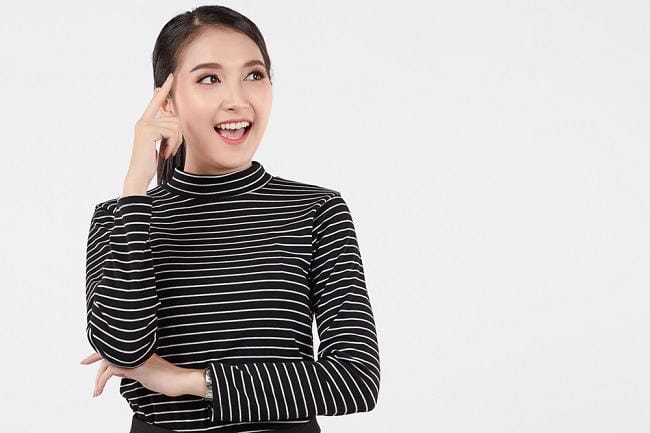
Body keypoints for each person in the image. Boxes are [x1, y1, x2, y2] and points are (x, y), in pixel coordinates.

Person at [80, 5, 380, 433]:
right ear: (166, 99)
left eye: (254, 75)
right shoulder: (121, 216)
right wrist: (134, 185)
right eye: (209, 78)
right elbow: (124, 348)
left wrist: (189, 381)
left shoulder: (315, 210)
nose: (237, 100)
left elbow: (356, 380)